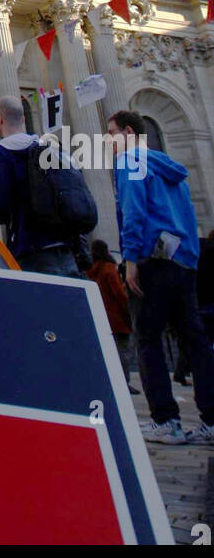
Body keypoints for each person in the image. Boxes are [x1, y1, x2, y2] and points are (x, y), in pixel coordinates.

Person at [107, 109, 214, 446]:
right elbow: (188, 217)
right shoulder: (170, 169)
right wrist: (190, 260)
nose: (108, 141)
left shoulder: (130, 161)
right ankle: (211, 420)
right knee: (195, 341)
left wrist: (131, 259)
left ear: (127, 132)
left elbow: (134, 211)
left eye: (111, 134)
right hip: (183, 262)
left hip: (153, 263)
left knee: (149, 340)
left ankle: (166, 420)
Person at [0, 94, 80, 276]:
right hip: (64, 248)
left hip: (32, 250)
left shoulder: (4, 152)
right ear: (23, 118)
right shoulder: (47, 146)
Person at [87, 240, 139, 393]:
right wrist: (128, 313)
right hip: (116, 317)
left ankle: (108, 381)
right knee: (123, 352)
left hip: (100, 315)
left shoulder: (91, 271)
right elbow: (119, 294)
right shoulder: (109, 269)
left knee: (106, 352)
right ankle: (123, 382)